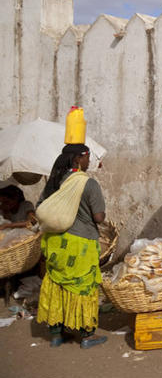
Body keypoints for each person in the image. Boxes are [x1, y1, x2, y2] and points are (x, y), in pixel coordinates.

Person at [36, 144, 107, 349]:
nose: (89, 161)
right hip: (80, 244)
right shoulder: (89, 184)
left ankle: (57, 334)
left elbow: (42, 206)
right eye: (87, 157)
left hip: (56, 242)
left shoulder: (55, 181)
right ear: (78, 159)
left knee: (56, 285)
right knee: (83, 286)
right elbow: (99, 217)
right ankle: (86, 335)